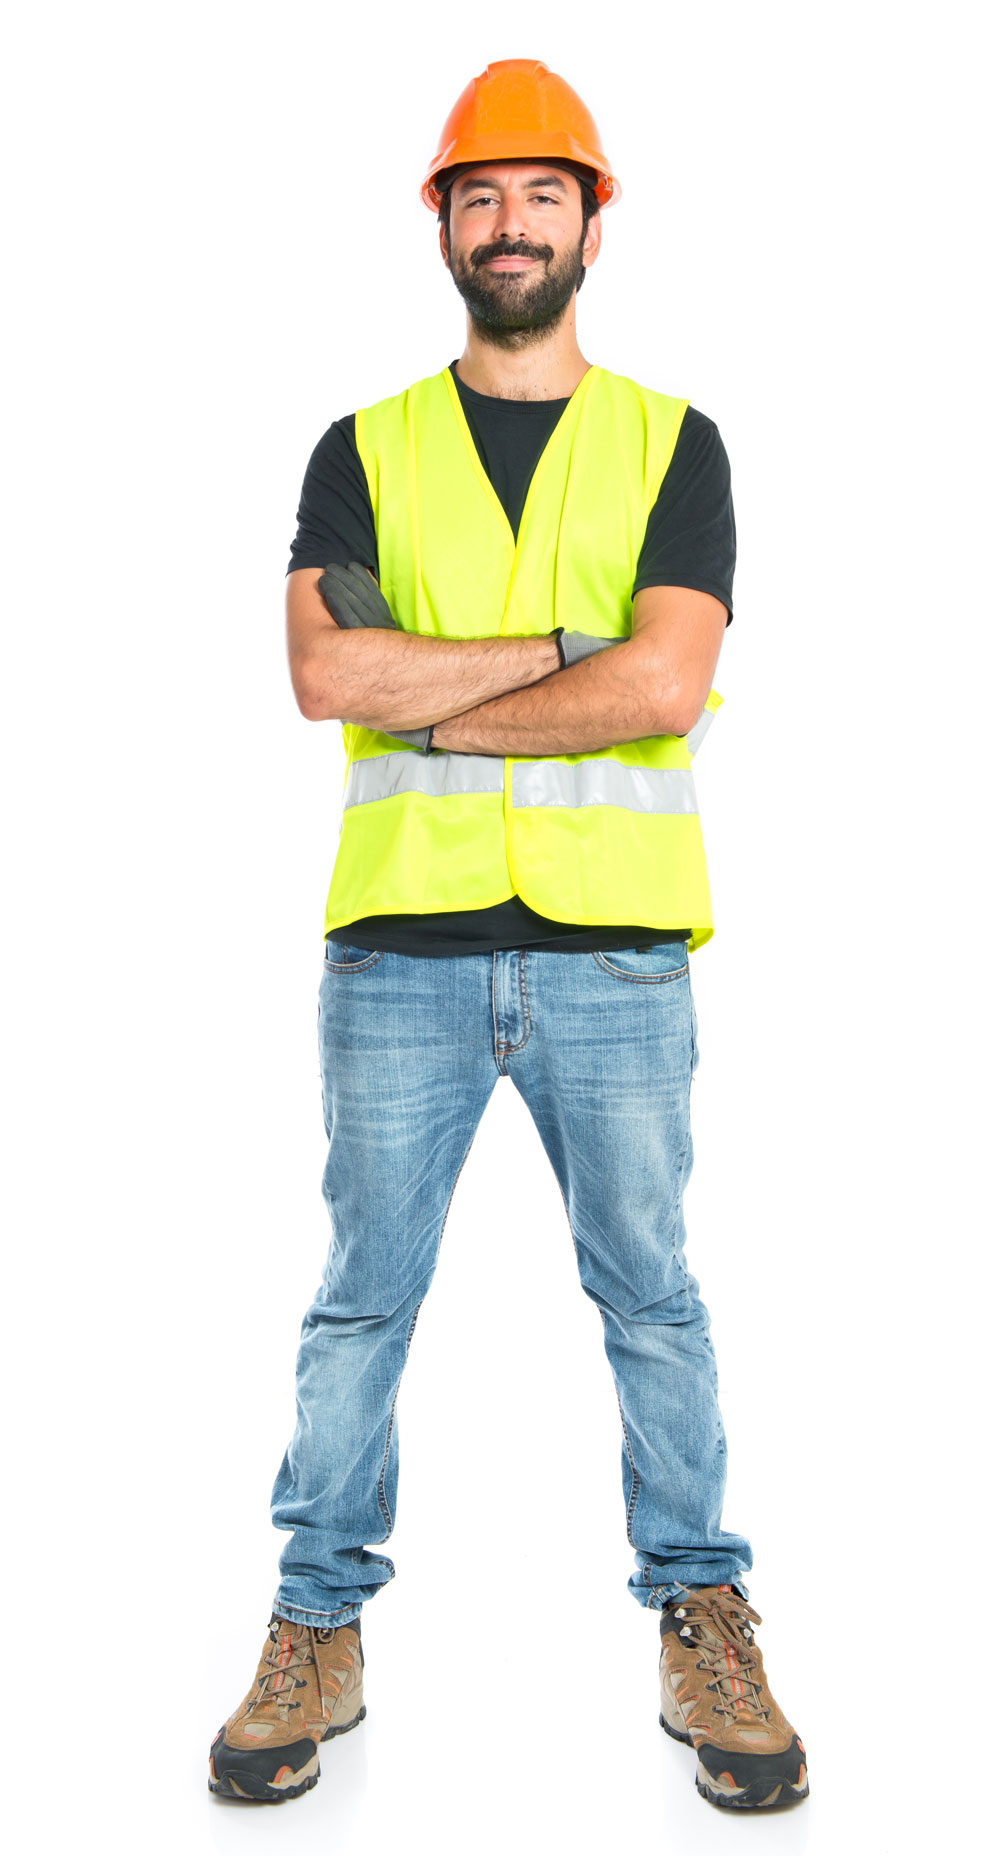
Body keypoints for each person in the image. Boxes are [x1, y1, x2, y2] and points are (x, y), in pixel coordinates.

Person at [208, 57, 808, 1813]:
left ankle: (702, 1612)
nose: (512, 223)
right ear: (443, 226)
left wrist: (436, 692)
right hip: (399, 952)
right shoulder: (363, 448)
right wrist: (563, 655)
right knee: (359, 1308)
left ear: (593, 224)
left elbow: (669, 681)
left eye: (544, 194)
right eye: (481, 196)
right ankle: (316, 1623)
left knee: (653, 1299)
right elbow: (324, 675)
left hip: (617, 956)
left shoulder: (674, 443)